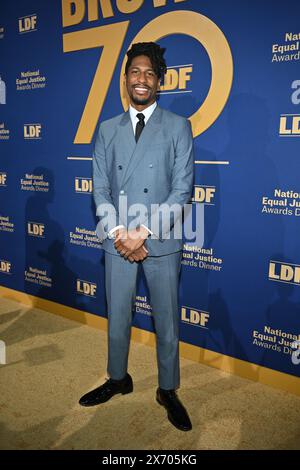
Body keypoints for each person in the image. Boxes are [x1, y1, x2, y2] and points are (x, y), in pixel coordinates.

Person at [79, 42, 194, 432]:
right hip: (117, 241)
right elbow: (99, 188)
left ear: (159, 81)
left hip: (159, 240)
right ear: (125, 78)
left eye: (149, 73)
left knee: (166, 321)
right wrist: (118, 233)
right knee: (117, 317)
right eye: (135, 72)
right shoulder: (107, 128)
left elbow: (182, 190)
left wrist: (142, 233)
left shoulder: (178, 126)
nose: (141, 79)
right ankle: (117, 378)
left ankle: (167, 389)